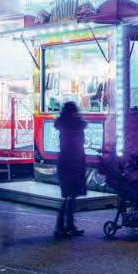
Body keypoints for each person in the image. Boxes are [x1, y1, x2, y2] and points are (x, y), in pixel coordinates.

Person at [53, 100, 86, 238]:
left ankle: (65, 225)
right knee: (70, 196)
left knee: (69, 196)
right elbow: (82, 126)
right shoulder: (76, 124)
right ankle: (63, 226)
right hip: (74, 162)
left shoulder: (62, 124)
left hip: (65, 162)